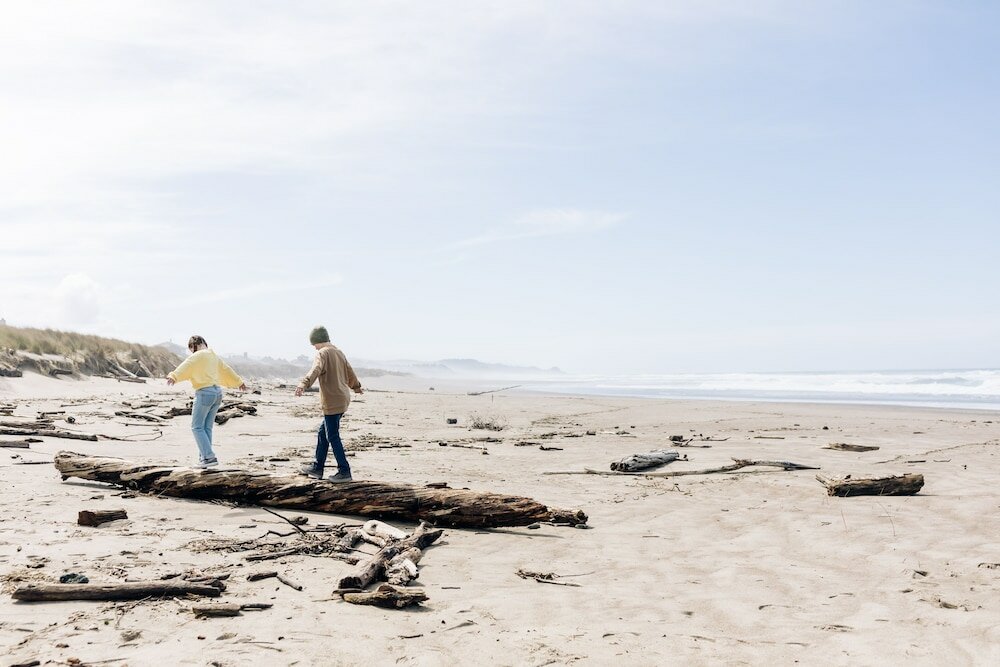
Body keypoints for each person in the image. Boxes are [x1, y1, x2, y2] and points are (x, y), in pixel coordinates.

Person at [166, 335, 246, 468]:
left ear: (194, 345)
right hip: (217, 394)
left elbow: (186, 366)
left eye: (191, 349)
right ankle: (204, 458)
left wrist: (173, 376)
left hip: (204, 393)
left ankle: (208, 457)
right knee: (207, 427)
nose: (192, 352)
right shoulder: (213, 356)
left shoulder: (196, 356)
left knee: (197, 427)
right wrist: (239, 381)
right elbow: (226, 369)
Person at [296, 326, 363, 482]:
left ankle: (344, 471)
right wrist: (356, 386)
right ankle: (317, 468)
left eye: (314, 344)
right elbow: (350, 371)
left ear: (318, 341)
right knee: (323, 432)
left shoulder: (322, 353)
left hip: (332, 400)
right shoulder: (339, 352)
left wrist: (303, 384)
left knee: (332, 435)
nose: (314, 348)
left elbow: (315, 369)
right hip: (343, 398)